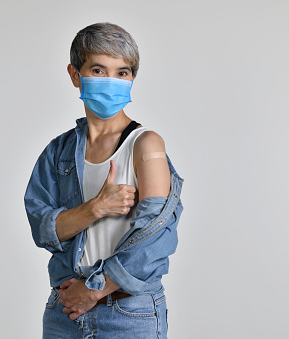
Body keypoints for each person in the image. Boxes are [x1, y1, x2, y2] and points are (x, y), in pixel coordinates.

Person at [24, 22, 183, 338]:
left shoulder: (146, 145)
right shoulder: (58, 152)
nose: (111, 81)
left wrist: (94, 289)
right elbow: (43, 230)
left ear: (132, 78)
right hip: (64, 312)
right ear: (75, 75)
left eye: (122, 72)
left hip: (128, 314)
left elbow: (157, 238)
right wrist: (96, 207)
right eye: (98, 70)